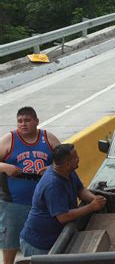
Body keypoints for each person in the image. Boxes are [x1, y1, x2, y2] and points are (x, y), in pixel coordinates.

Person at [19, 144, 107, 256]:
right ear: (67, 164)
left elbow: (80, 189)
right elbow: (63, 216)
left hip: (55, 239)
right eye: (76, 158)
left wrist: (94, 199)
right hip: (39, 245)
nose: (78, 158)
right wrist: (91, 207)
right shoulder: (53, 185)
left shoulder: (68, 171)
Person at [0, 107, 60, 264]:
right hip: (14, 202)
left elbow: (66, 159)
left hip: (43, 202)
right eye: (20, 121)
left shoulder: (47, 138)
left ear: (36, 121)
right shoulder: (9, 139)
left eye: (27, 120)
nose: (23, 124)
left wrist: (51, 167)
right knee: (10, 239)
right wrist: (6, 167)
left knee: (41, 240)